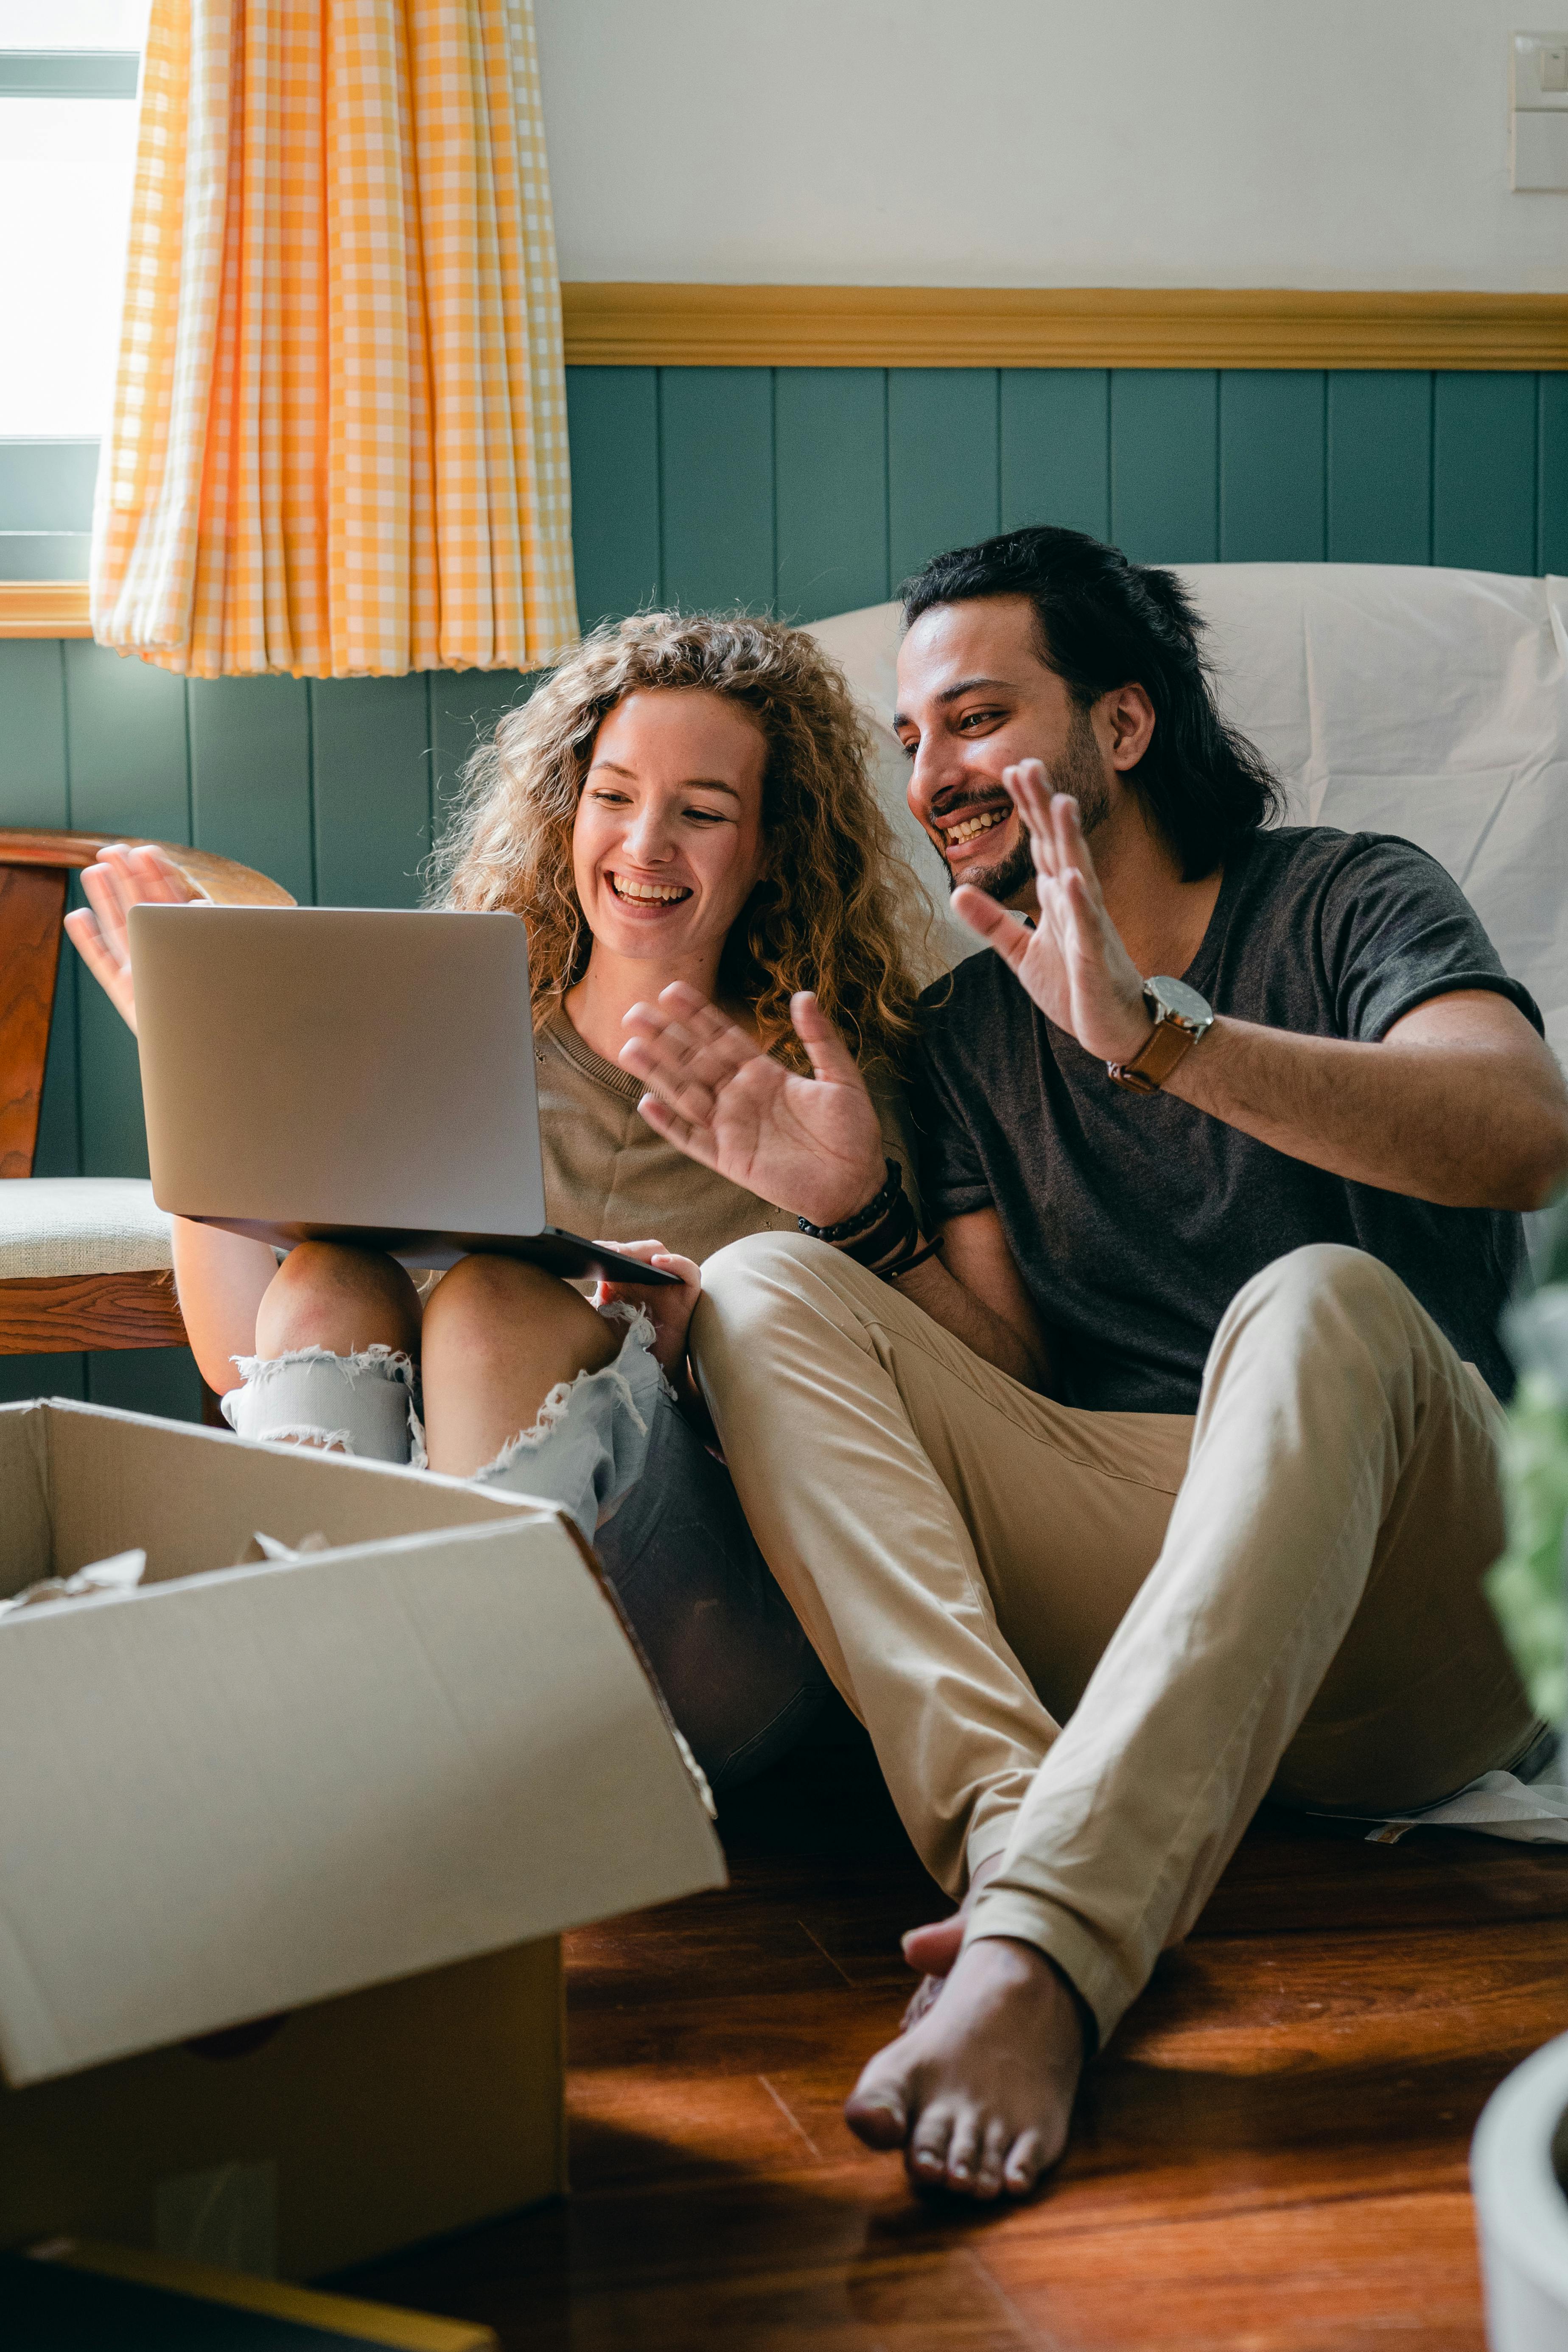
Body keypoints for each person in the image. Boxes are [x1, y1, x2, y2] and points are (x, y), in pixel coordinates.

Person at [614, 526, 1568, 2199]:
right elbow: (1017, 1382)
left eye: (977, 719)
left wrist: (1163, 1038)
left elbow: (1522, 1137)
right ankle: (1010, 1838)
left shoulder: (1347, 894)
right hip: (1148, 1554)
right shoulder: (972, 1032)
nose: (936, 776)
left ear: (1122, 726)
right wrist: (861, 1222)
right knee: (763, 1284)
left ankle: (1049, 1958)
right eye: (912, 740)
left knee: (1318, 1299)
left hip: (1422, 1608)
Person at [65, 610, 928, 1793]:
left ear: (773, 843)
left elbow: (901, 1436)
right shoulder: (456, 1040)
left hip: (718, 1633)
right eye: (614, 795)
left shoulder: (832, 1089)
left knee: (488, 1308)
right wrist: (196, 1085)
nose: (646, 842)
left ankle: (401, 1770)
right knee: (326, 1273)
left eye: (703, 811)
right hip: (426, 1650)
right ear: (568, 810)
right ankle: (374, 1755)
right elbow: (238, 1363)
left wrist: (702, 1347)